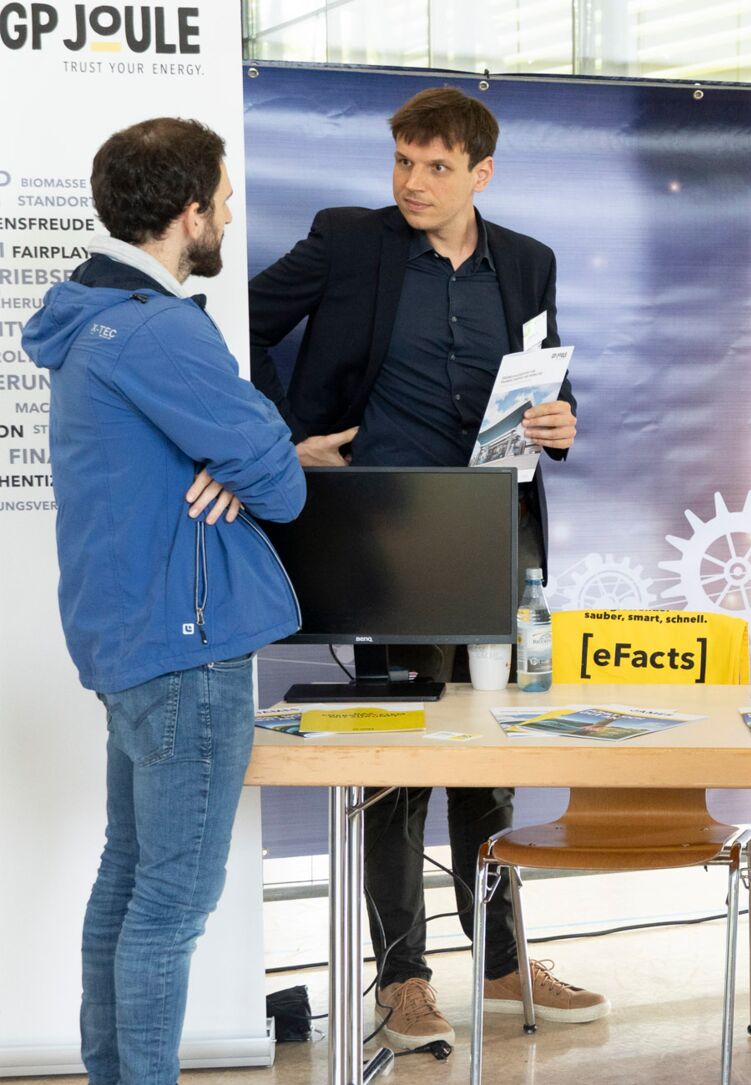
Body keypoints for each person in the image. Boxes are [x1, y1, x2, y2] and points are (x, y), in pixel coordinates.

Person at [247, 87, 601, 1048]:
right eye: (403, 160)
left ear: (481, 173)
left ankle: (502, 963)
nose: (413, 181)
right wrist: (282, 441)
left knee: (493, 753)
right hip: (386, 542)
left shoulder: (527, 261)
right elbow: (235, 323)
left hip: (496, 530)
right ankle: (401, 978)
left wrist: (562, 420)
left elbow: (546, 379)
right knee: (397, 762)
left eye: (436, 166)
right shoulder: (347, 242)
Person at [24, 117, 307, 1085]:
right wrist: (240, 457)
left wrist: (226, 457)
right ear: (188, 214)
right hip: (188, 650)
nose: (229, 214)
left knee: (129, 878)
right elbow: (282, 482)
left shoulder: (91, 316)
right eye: (222, 200)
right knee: (173, 901)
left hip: (132, 639)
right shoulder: (160, 329)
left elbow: (239, 457)